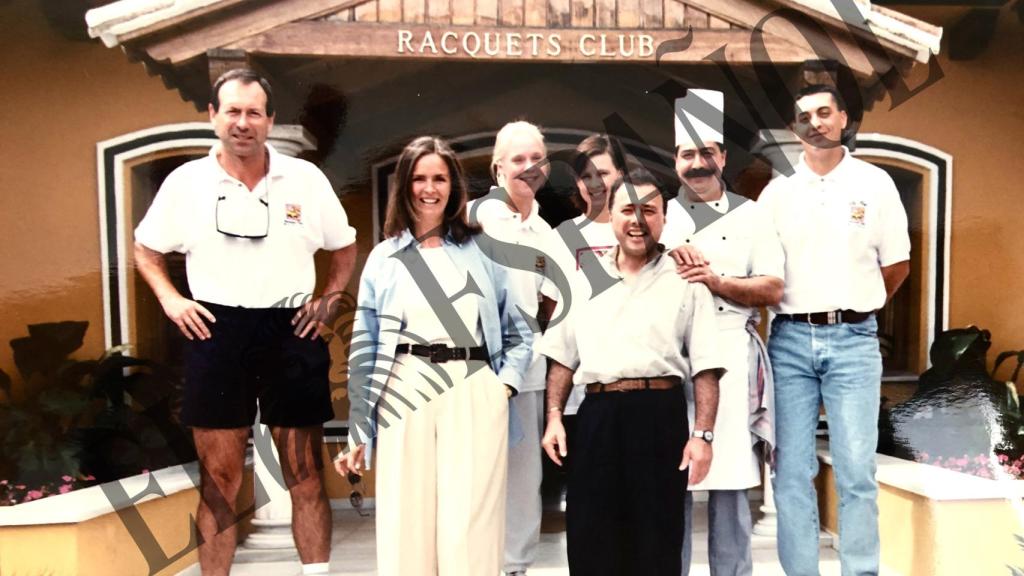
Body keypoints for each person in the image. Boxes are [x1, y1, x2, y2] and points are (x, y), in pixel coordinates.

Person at [133, 68, 357, 576]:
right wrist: (171, 300)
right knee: (220, 479)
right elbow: (145, 248)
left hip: (290, 331)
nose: (242, 122)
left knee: (305, 474)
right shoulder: (186, 182)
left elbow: (343, 245)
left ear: (269, 120)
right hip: (216, 333)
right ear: (213, 116)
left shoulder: (304, 179)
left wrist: (329, 298)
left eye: (253, 112)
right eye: (232, 111)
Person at [335, 136, 533, 576]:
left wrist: (502, 387)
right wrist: (358, 429)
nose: (430, 188)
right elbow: (364, 348)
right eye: (420, 178)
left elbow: (520, 331)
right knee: (407, 520)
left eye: (439, 178)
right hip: (404, 387)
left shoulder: (484, 252)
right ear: (404, 186)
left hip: (473, 386)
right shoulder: (385, 259)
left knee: (471, 525)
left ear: (454, 186)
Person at [540, 168, 723, 576]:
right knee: (591, 539)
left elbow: (706, 367)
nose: (638, 220)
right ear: (612, 214)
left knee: (656, 543)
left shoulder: (687, 280)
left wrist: (703, 436)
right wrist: (554, 416)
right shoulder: (583, 278)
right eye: (628, 209)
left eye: (649, 210)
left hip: (660, 416)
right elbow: (562, 357)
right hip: (596, 419)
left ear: (664, 218)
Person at [758, 84, 910, 576]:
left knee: (857, 472)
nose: (816, 122)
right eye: (805, 116)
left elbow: (897, 266)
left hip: (854, 341)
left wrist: (855, 307)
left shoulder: (875, 184)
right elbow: (764, 272)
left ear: (843, 118)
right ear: (794, 128)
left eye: (824, 112)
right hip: (790, 342)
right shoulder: (777, 193)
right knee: (791, 473)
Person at [661, 89, 785, 576]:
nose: (698, 163)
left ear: (723, 158)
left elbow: (773, 286)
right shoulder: (658, 216)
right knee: (671, 476)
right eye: (688, 154)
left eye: (707, 152)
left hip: (731, 350)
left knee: (730, 476)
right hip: (669, 357)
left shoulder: (752, 214)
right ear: (675, 160)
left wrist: (717, 281)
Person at [467, 120, 552, 576]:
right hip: (472, 373)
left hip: (527, 376)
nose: (527, 166)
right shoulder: (468, 219)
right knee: (474, 478)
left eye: (535, 158)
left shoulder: (546, 235)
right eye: (517, 158)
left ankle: (515, 568)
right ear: (497, 167)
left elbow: (551, 303)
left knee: (523, 481)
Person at [541, 134, 625, 416]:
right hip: (580, 393)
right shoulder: (562, 237)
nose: (595, 184)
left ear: (621, 175)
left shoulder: (641, 231)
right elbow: (555, 313)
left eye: (603, 173)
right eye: (585, 176)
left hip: (636, 385)